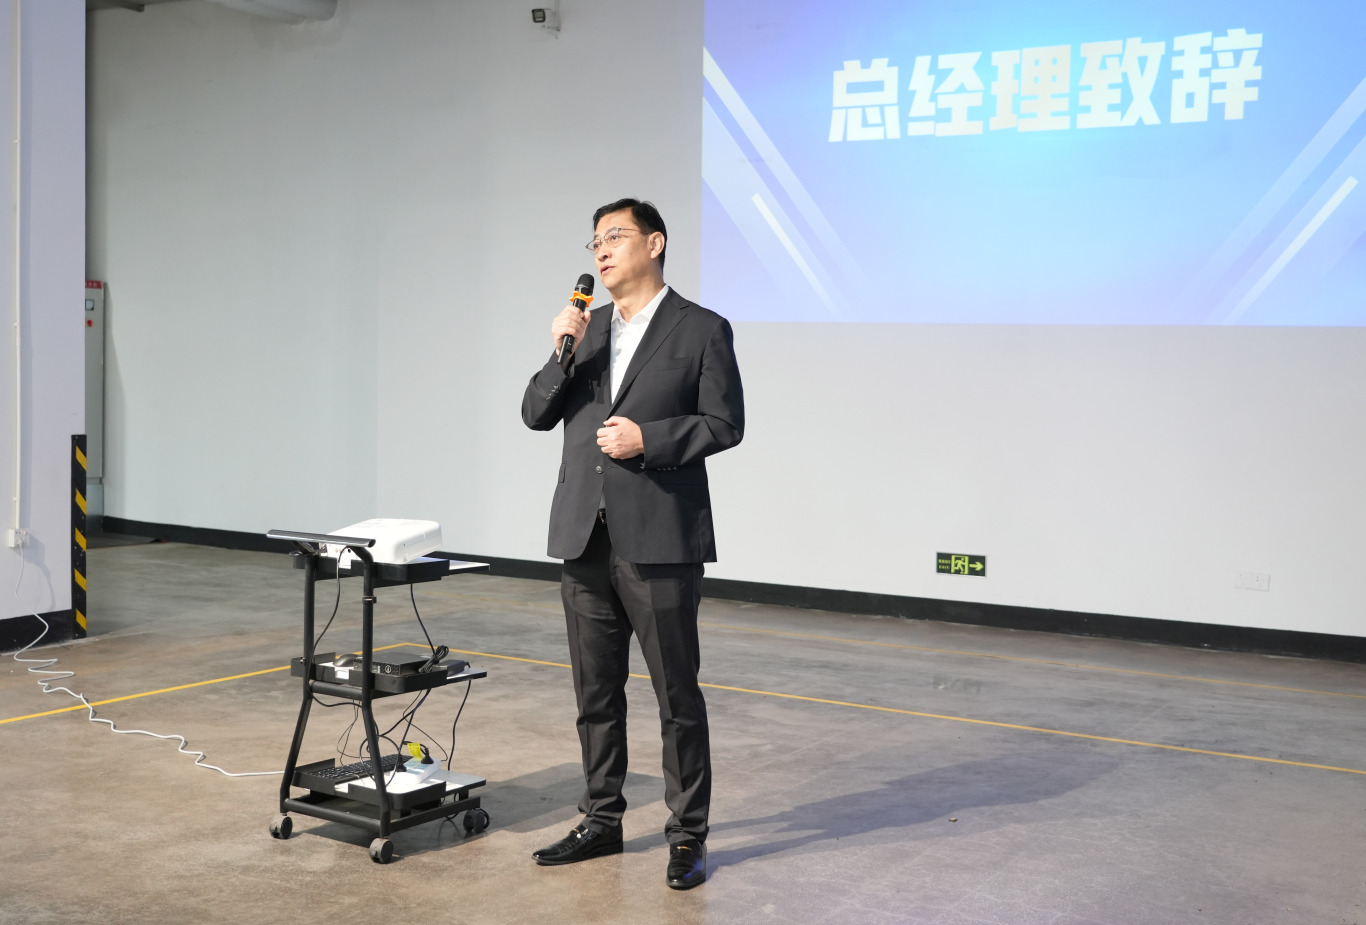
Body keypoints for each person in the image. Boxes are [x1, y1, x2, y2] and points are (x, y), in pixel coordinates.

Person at [520, 198, 744, 889]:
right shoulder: (584, 333)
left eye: (614, 236)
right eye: (594, 241)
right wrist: (559, 349)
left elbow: (725, 423)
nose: (601, 250)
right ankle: (601, 819)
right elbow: (535, 413)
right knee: (595, 693)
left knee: (677, 695)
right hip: (584, 536)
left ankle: (687, 834)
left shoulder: (700, 328)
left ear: (655, 242)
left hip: (660, 537)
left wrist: (652, 438)